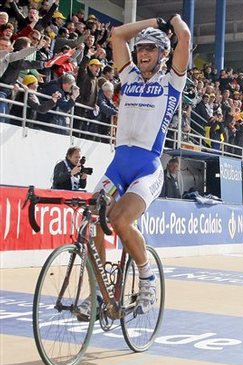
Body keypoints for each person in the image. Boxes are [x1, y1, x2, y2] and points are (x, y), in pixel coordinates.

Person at [83, 14, 190, 318]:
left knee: (119, 221)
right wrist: (154, 23)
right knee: (90, 226)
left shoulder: (171, 81)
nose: (143, 53)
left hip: (146, 167)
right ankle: (100, 295)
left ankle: (147, 279)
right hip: (117, 166)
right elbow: (117, 35)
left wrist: (173, 19)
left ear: (162, 55)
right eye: (140, 48)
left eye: (150, 49)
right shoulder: (128, 77)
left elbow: (185, 38)